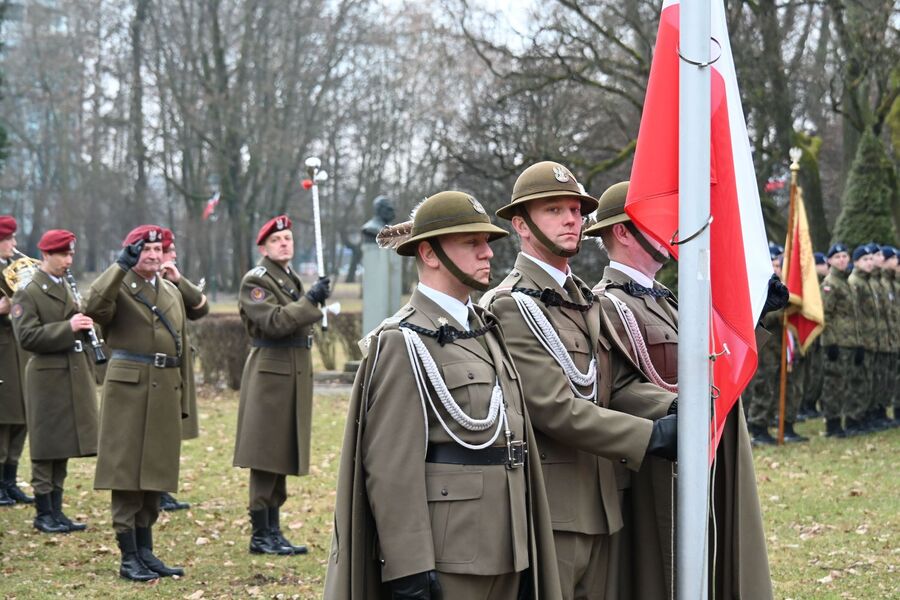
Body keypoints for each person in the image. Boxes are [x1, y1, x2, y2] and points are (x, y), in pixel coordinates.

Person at [324, 191, 561, 600]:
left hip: (511, 544)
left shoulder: (485, 328)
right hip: (454, 551)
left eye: (486, 242)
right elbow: (391, 469)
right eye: (471, 243)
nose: (488, 253)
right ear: (430, 254)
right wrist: (410, 568)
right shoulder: (403, 341)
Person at [481, 162, 677, 600]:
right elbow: (554, 407)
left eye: (575, 210)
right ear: (521, 225)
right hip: (553, 507)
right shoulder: (510, 305)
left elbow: (614, 386)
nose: (572, 220)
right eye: (554, 210)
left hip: (605, 500)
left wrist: (670, 408)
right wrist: (650, 437)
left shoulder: (586, 300)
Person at [584, 181, 774, 600]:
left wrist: (752, 317)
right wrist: (680, 408)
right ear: (621, 231)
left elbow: (713, 363)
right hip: (656, 464)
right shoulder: (605, 304)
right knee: (664, 578)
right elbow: (615, 385)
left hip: (699, 452)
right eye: (655, 222)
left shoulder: (669, 300)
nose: (670, 230)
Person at [85, 224, 189, 581]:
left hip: (164, 390)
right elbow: (94, 307)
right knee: (127, 473)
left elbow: (182, 349)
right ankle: (128, 555)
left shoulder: (171, 292)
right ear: (131, 251)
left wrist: (183, 399)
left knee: (154, 475)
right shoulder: (120, 285)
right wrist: (118, 266)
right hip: (129, 391)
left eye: (158, 249)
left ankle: (146, 551)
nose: (154, 254)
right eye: (145, 249)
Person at [233, 215, 331, 556]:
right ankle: (261, 533)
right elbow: (274, 323)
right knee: (265, 454)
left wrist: (311, 301)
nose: (285, 243)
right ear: (263, 247)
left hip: (290, 372)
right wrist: (311, 302)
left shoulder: (287, 277)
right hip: (270, 374)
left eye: (288, 238)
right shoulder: (256, 281)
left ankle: (273, 530)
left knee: (281, 450)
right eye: (277, 240)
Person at [11, 229, 98, 533]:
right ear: (46, 255)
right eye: (63, 254)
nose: (68, 260)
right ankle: (43, 513)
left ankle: (57, 511)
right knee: (46, 446)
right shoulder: (29, 290)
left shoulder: (68, 286)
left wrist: (86, 328)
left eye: (71, 254)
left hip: (71, 373)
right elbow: (27, 336)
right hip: (46, 376)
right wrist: (68, 327)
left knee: (63, 445)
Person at [157, 227, 210, 512]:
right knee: (158, 432)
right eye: (169, 251)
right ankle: (155, 489)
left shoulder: (171, 283)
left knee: (171, 432)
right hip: (156, 371)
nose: (173, 255)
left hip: (177, 368)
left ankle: (163, 488)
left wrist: (179, 280)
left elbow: (201, 309)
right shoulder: (146, 285)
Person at [0, 215, 32, 507]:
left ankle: (10, 480)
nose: (15, 244)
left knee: (21, 417)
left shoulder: (16, 268)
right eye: (10, 239)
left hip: (21, 352)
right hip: (2, 354)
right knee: (3, 418)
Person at [818, 243, 857, 438]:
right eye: (837, 257)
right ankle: (832, 423)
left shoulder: (846, 282)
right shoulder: (830, 283)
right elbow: (825, 315)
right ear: (830, 260)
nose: (842, 260)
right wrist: (830, 342)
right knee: (834, 384)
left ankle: (840, 421)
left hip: (848, 341)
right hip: (836, 342)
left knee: (845, 383)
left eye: (844, 256)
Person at [846, 245, 879, 435]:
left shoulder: (868, 282)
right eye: (865, 259)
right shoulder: (855, 282)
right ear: (856, 262)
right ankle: (852, 419)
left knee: (869, 381)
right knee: (855, 381)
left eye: (870, 259)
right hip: (855, 340)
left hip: (872, 339)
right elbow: (855, 316)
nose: (870, 262)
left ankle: (864, 416)